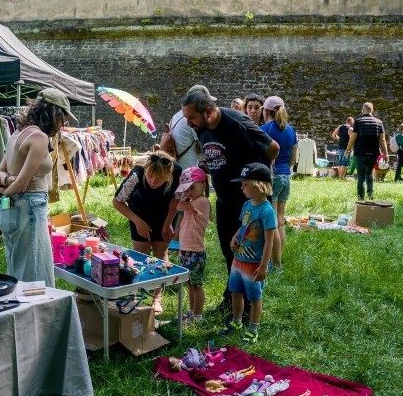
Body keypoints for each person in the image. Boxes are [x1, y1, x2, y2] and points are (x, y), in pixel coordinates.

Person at [181, 86, 279, 316]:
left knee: (248, 252)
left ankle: (248, 307)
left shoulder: (238, 123)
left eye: (191, 117)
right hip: (224, 199)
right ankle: (233, 297)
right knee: (230, 250)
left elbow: (273, 149)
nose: (188, 123)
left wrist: (256, 180)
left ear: (207, 111)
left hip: (247, 202)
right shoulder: (202, 128)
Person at [0, 88, 76, 287]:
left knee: (17, 267)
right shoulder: (39, 138)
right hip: (30, 205)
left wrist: (5, 185)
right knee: (36, 273)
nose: (63, 124)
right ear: (54, 114)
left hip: (12, 207)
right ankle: (37, 316)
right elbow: (21, 183)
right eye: (63, 118)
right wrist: (9, 187)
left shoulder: (18, 133)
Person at [113, 150, 181, 312]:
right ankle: (134, 293)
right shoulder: (137, 173)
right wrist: (137, 221)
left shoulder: (177, 171)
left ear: (169, 174)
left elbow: (175, 199)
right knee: (139, 253)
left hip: (164, 213)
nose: (153, 181)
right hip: (139, 212)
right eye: (150, 175)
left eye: (159, 178)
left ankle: (157, 297)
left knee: (160, 251)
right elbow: (117, 201)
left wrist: (168, 223)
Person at [219, 163, 276, 346]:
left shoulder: (267, 211)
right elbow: (243, 226)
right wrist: (234, 237)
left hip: (254, 264)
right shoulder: (247, 205)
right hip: (239, 259)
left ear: (259, 185)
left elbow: (269, 241)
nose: (241, 188)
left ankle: (253, 329)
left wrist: (263, 266)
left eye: (245, 185)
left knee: (254, 298)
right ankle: (236, 322)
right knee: (235, 292)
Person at [260, 96, 298, 270]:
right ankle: (279, 258)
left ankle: (275, 263)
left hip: (273, 177)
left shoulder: (265, 129)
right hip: (286, 176)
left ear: (266, 111)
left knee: (272, 222)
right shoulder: (291, 131)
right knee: (281, 220)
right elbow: (293, 157)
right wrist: (286, 168)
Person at [174, 167, 211, 325]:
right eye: (186, 189)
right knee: (190, 283)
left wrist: (181, 195)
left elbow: (178, 206)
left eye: (192, 188)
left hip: (195, 251)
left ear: (203, 185)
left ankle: (197, 316)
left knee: (196, 284)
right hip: (186, 249)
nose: (188, 192)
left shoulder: (201, 202)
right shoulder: (192, 201)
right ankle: (191, 311)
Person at [345, 102, 387, 201]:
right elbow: (383, 140)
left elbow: (352, 139)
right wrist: (386, 154)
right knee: (369, 173)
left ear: (362, 110)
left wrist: (347, 150)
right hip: (374, 153)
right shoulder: (379, 122)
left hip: (360, 153)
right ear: (372, 110)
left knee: (361, 176)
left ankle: (360, 199)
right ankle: (370, 194)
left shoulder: (358, 122)